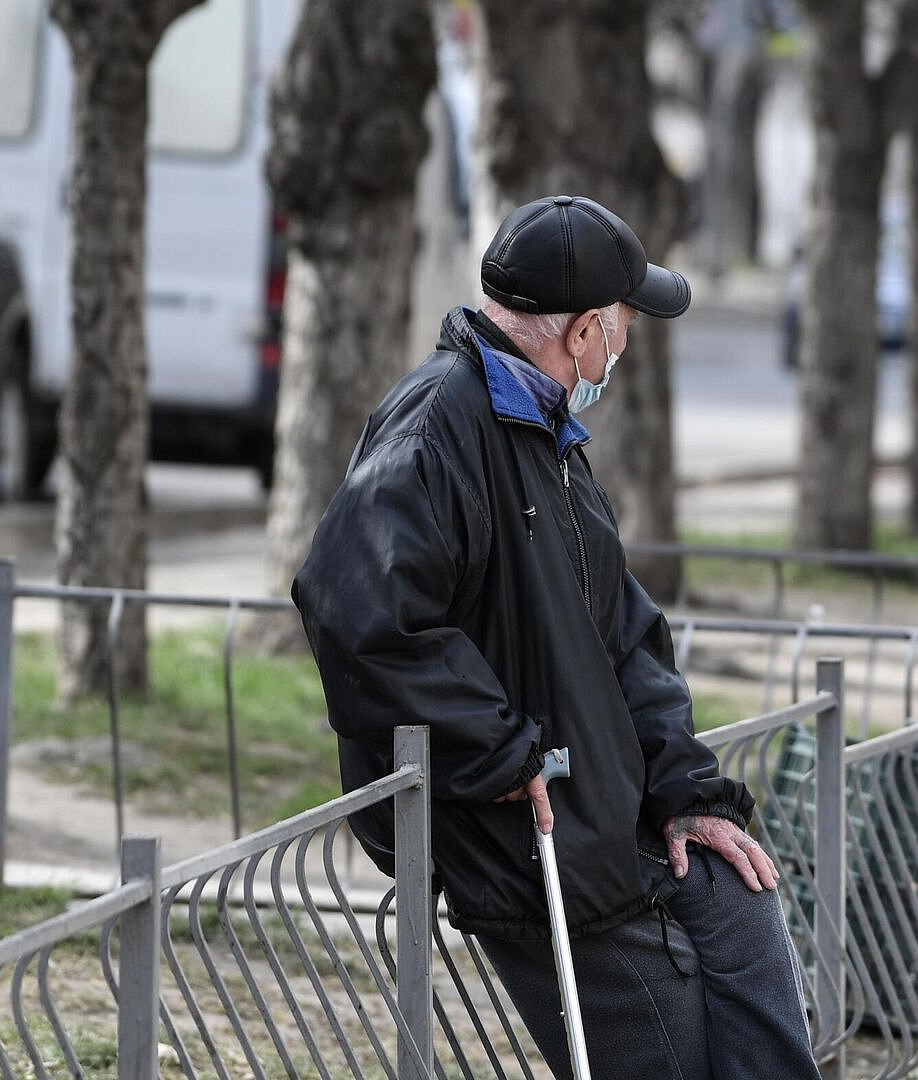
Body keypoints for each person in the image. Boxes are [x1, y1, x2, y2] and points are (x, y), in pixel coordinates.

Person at [293, 195, 818, 1079]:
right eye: (620, 327)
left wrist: (689, 789)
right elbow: (361, 616)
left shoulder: (545, 428)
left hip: (605, 800)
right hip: (528, 821)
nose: (623, 346)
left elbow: (626, 634)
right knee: (671, 1044)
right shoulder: (438, 427)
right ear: (583, 332)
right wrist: (497, 750)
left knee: (744, 910)